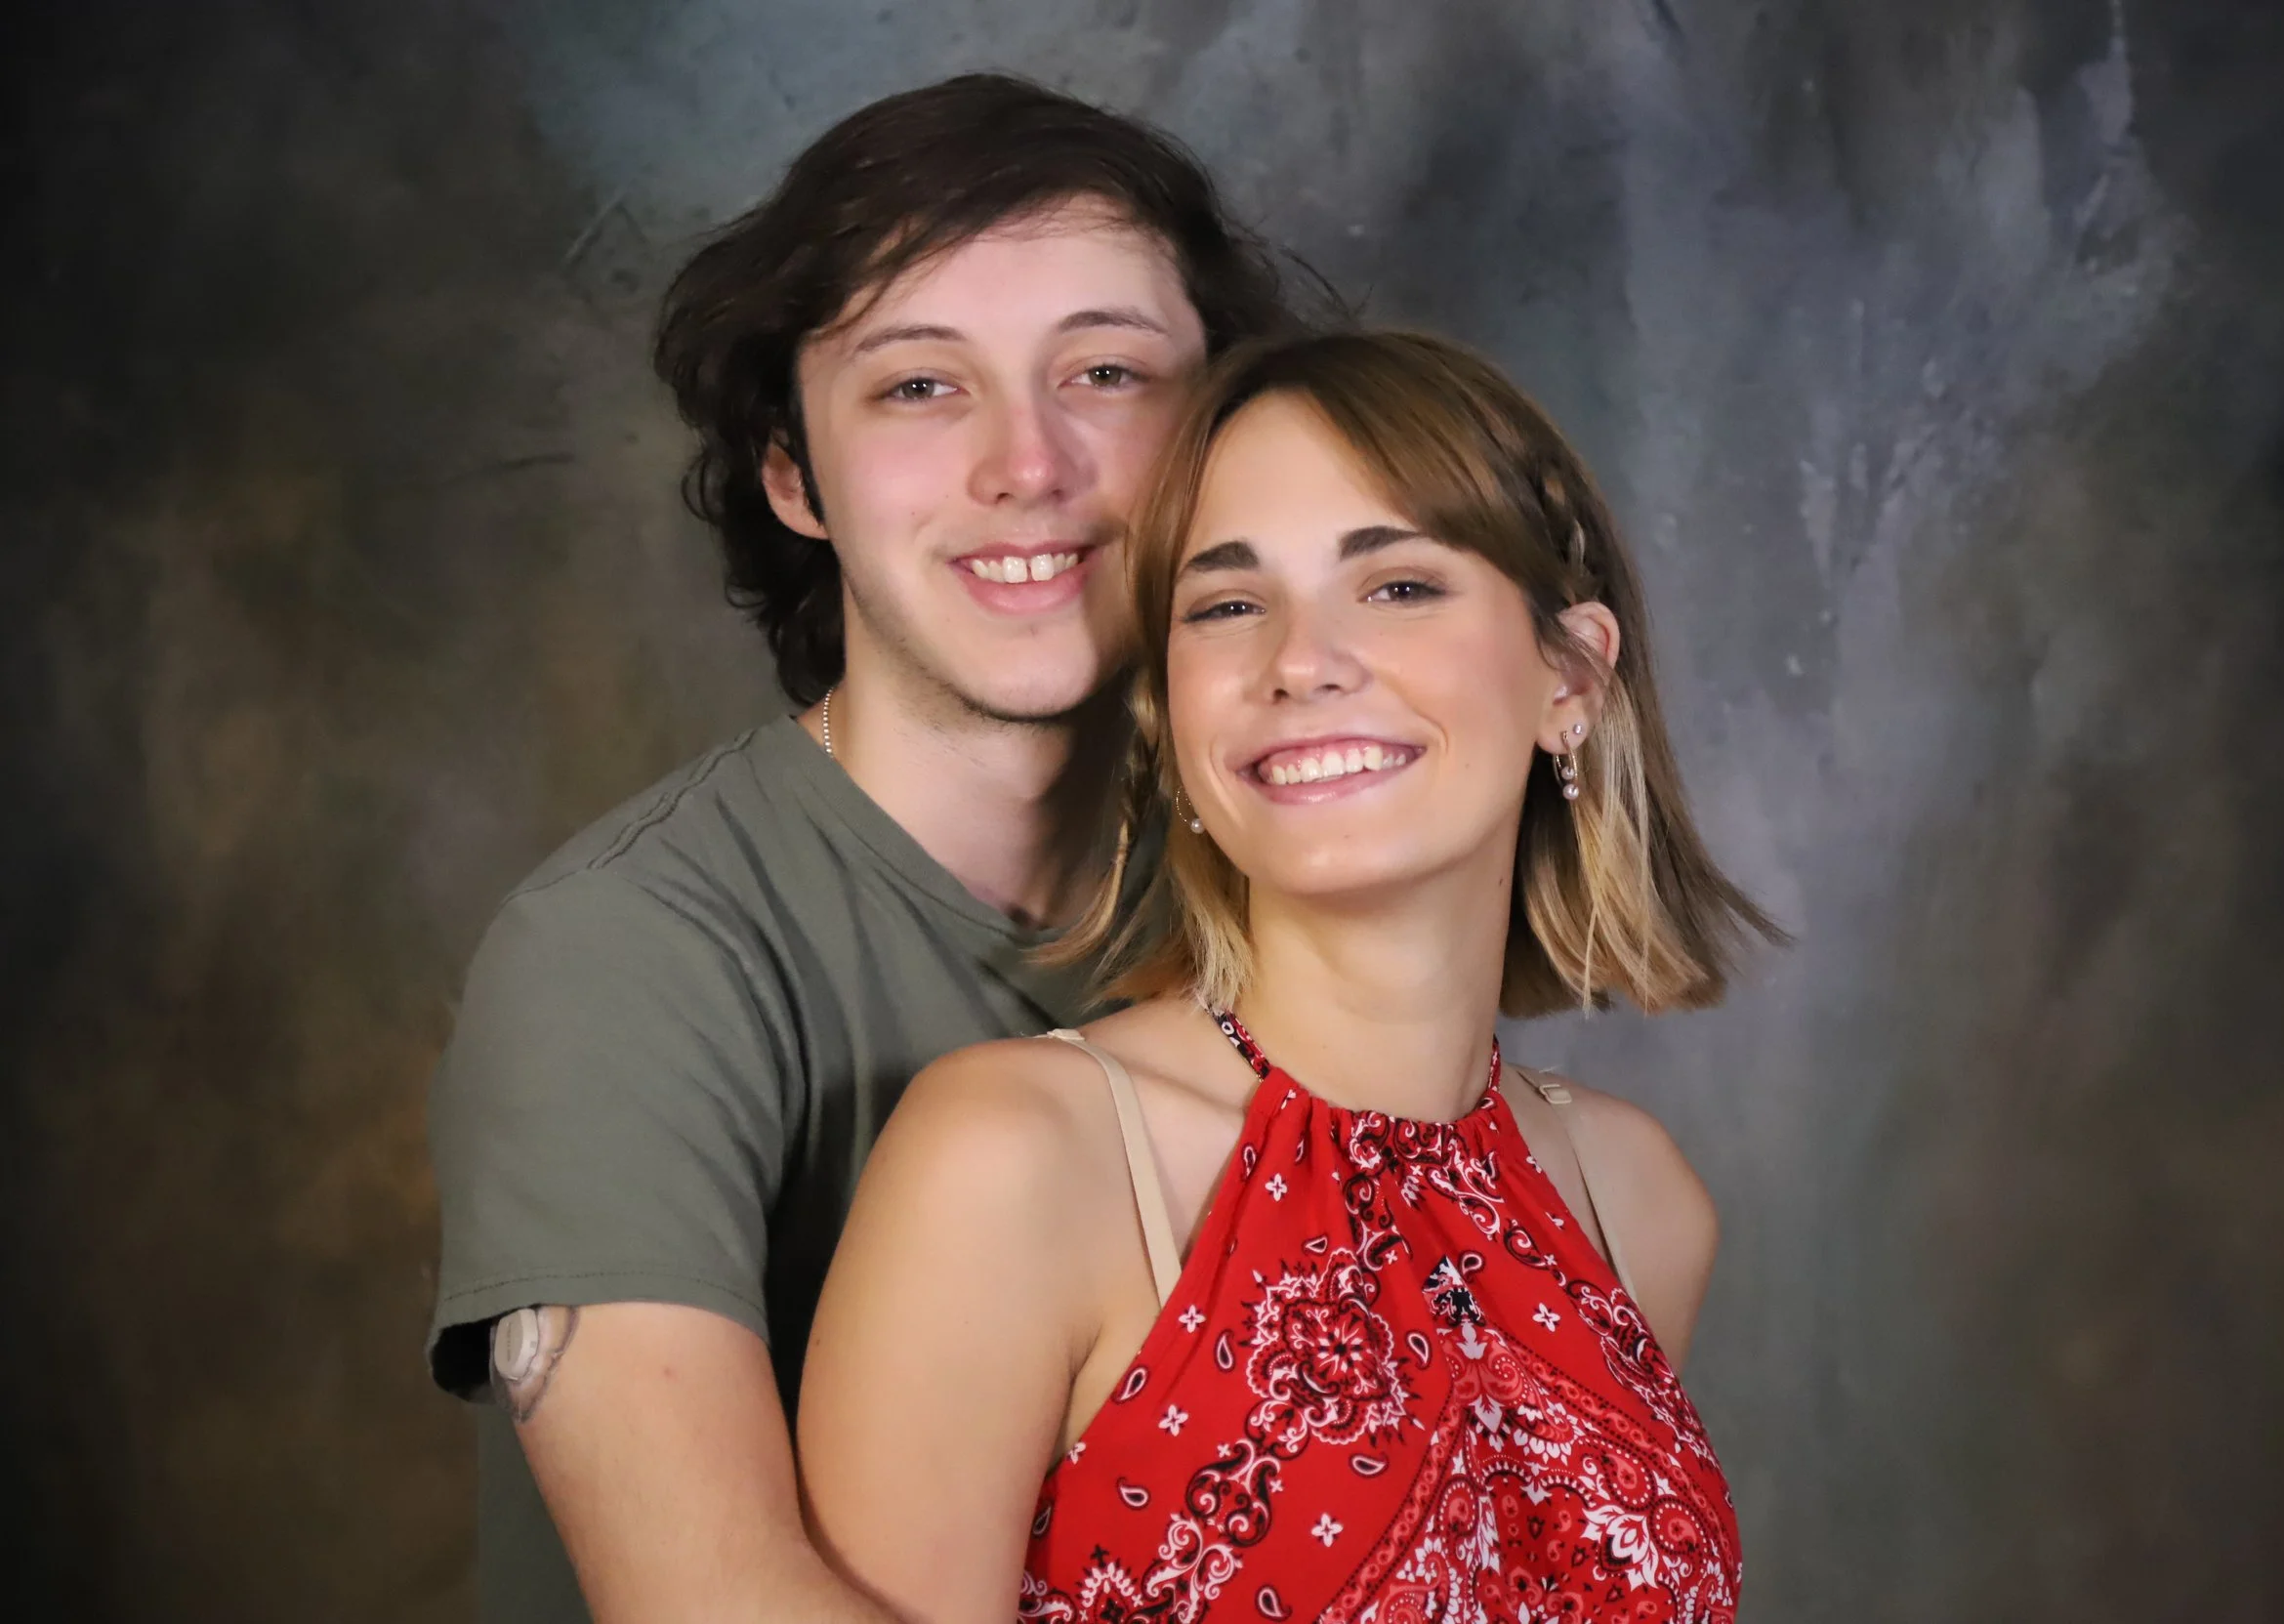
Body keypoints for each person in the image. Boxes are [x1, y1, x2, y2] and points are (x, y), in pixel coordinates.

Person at [423, 74, 1309, 1623]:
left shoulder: (1286, 895)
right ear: (790, 471)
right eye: (918, 386)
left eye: (1105, 370)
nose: (1026, 463)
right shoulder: (625, 955)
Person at [794, 330, 1781, 1622]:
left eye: (1398, 586)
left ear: (1571, 677)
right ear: (1171, 713)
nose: (1301, 660)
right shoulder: (1020, 1157)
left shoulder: (1638, 1199)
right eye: (1226, 605)